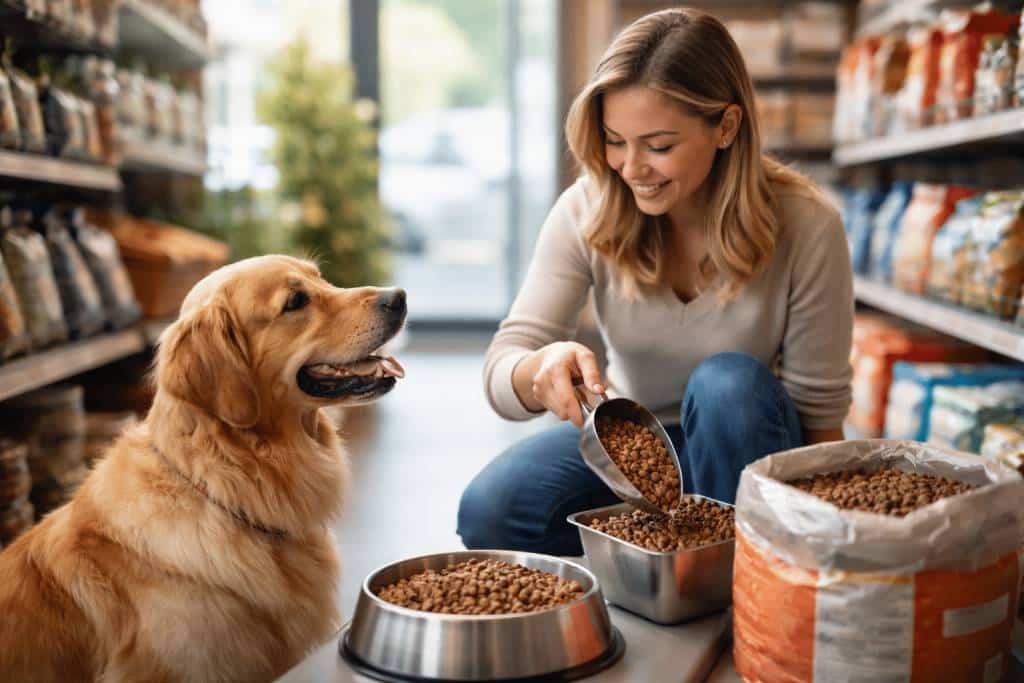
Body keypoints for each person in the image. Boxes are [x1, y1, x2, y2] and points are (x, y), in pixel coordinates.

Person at [458, 8, 852, 556]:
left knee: (727, 385)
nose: (630, 167)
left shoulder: (809, 224)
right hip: (636, 444)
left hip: (746, 446)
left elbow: (819, 421)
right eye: (615, 139)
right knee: (492, 510)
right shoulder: (588, 208)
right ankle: (658, 563)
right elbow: (505, 364)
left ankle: (726, 582)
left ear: (726, 127)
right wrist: (536, 369)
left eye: (659, 146)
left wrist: (830, 557)